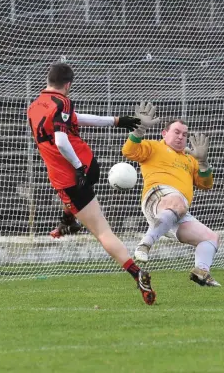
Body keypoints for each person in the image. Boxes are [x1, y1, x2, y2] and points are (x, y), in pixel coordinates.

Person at [27, 62, 157, 305]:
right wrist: (79, 166)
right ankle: (68, 222)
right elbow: (65, 137)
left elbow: (67, 131)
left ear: (48, 80)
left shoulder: (34, 106)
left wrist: (116, 121)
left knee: (101, 230)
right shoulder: (62, 102)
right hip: (77, 171)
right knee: (90, 219)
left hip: (71, 176)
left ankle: (136, 274)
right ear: (68, 85)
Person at [122, 108, 221, 287]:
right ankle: (144, 244)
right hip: (157, 198)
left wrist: (203, 162)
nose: (181, 136)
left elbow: (206, 185)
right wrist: (139, 130)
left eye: (185, 134)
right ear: (164, 133)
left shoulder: (190, 159)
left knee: (211, 237)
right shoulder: (153, 147)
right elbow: (128, 151)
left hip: (176, 211)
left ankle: (201, 271)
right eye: (176, 132)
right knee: (177, 200)